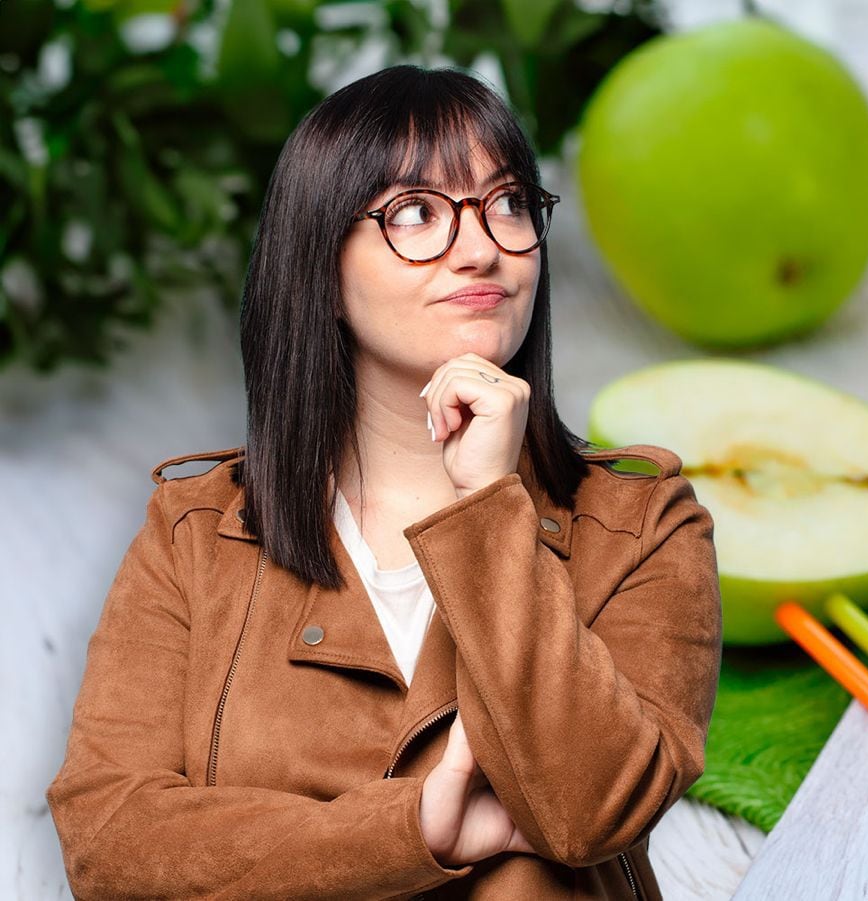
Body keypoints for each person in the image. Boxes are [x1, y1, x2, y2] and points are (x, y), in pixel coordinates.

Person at [46, 64, 722, 899]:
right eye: (417, 214)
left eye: (510, 203)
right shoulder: (195, 532)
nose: (483, 248)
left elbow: (592, 810)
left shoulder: (646, 523)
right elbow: (109, 840)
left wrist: (486, 506)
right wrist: (413, 828)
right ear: (322, 266)